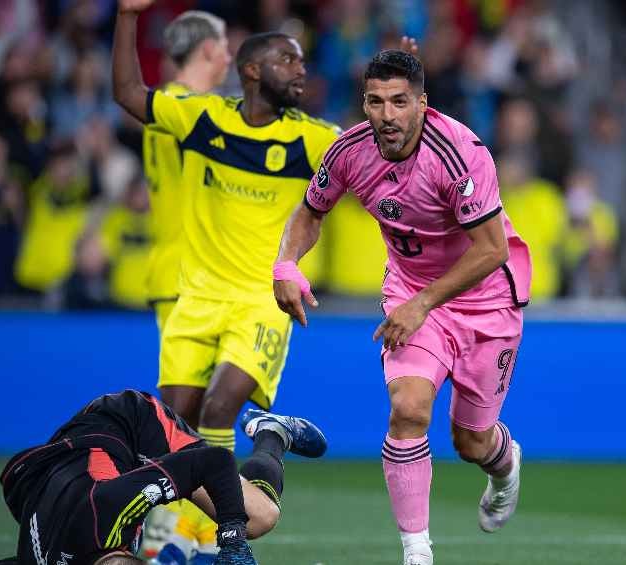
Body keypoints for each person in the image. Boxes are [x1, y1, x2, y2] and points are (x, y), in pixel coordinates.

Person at [273, 49, 532, 565]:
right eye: (375, 101)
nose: (387, 115)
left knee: (472, 441)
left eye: (399, 102)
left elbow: (492, 249)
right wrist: (286, 264)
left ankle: (505, 470)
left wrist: (423, 303)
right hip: (412, 295)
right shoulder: (348, 151)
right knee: (408, 409)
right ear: (364, 103)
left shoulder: (459, 152)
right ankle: (417, 552)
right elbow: (310, 211)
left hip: (485, 301)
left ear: (421, 104)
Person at [112, 0, 340, 451]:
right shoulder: (202, 117)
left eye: (302, 60)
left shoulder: (314, 138)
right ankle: (183, 522)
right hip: (196, 297)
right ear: (252, 70)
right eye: (287, 59)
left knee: (220, 409)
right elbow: (127, 93)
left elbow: (373, 160)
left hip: (261, 302)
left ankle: (226, 521)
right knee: (176, 425)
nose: (300, 70)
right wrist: (127, 17)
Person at [0, 389, 327, 565]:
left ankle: (272, 432)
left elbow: (215, 462)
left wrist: (232, 543)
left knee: (258, 517)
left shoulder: (109, 507)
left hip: (135, 427)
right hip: (71, 460)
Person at [138, 9, 233, 557]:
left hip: (182, 271)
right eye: (223, 48)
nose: (229, 59)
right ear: (204, 51)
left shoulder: (166, 105)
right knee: (189, 417)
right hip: (189, 274)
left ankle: (184, 534)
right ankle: (166, 534)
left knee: (195, 415)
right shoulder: (187, 110)